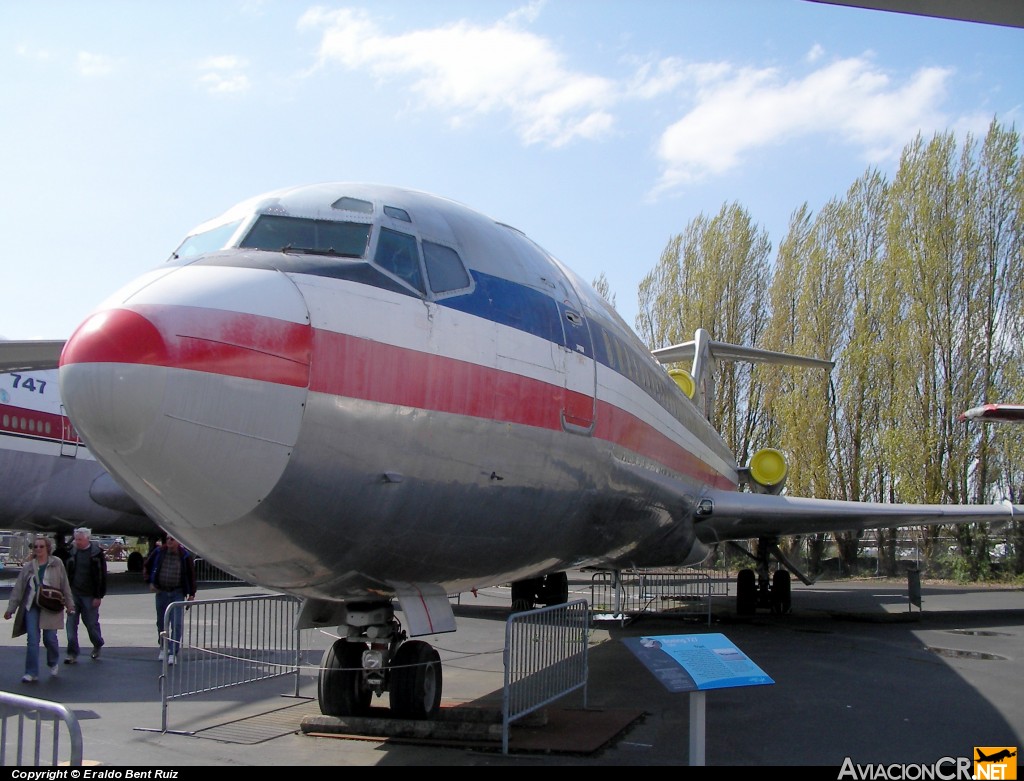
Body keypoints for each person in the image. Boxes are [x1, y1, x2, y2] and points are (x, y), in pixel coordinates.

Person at [3, 536, 75, 682]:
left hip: (50, 605)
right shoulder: (29, 566)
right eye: (35, 547)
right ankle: (31, 672)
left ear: (47, 548)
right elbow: (19, 589)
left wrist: (69, 604)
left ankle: (53, 661)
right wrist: (11, 609)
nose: (38, 549)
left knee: (50, 639)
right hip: (32, 606)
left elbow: (64, 585)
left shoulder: (57, 563)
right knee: (32, 639)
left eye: (41, 546)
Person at [146, 535, 196, 665]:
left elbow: (191, 575)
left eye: (172, 539)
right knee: (161, 623)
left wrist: (191, 594)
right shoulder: (159, 552)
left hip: (177, 592)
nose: (169, 541)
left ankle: (173, 652)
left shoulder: (185, 555)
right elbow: (147, 565)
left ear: (178, 541)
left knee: (177, 624)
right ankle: (163, 647)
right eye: (167, 539)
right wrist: (150, 581)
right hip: (161, 591)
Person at [64, 527, 107, 663]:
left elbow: (102, 576)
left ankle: (97, 643)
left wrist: (98, 596)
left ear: (87, 539)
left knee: (91, 624)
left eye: (80, 540)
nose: (77, 542)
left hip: (90, 595)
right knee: (71, 624)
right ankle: (72, 653)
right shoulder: (71, 552)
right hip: (74, 594)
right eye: (76, 540)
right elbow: (66, 573)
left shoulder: (96, 554)